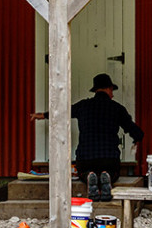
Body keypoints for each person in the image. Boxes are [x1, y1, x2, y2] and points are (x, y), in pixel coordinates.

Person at [31, 73, 143, 201]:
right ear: (108, 89)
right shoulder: (117, 108)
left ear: (96, 90)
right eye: (112, 90)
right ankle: (108, 176)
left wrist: (43, 115)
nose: (112, 94)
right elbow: (132, 129)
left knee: (83, 171)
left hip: (86, 158)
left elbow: (63, 112)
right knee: (113, 171)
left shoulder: (83, 106)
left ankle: (89, 175)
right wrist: (138, 137)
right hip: (109, 158)